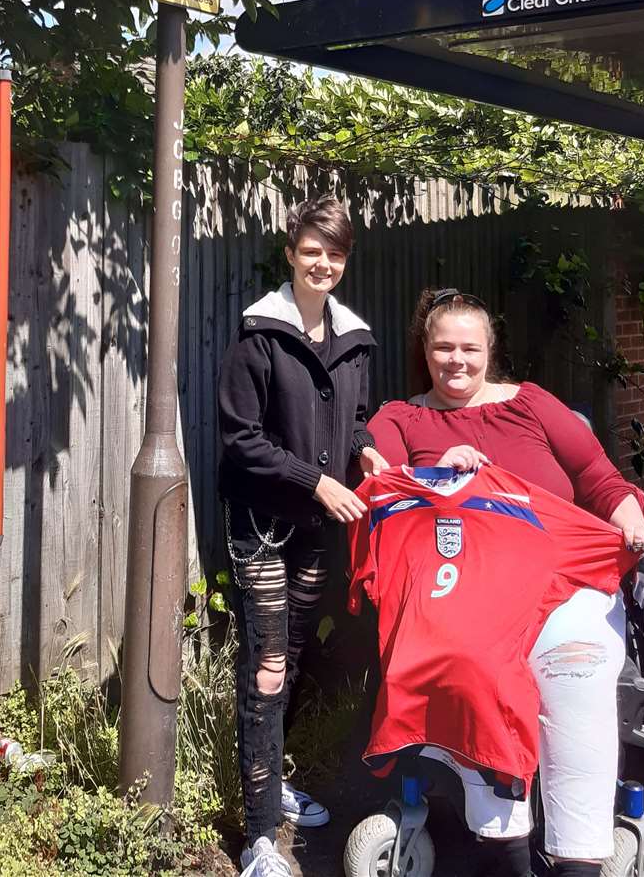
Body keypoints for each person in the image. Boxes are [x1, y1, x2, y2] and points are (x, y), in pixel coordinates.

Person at [366, 287, 644, 877]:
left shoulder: (530, 403)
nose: (457, 360)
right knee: (468, 667)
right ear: (424, 350)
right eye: (443, 347)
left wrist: (628, 518)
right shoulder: (400, 418)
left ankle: (580, 858)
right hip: (461, 595)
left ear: (489, 349)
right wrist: (432, 472)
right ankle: (505, 853)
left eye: (469, 348)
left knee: (574, 667)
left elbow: (599, 478)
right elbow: (380, 482)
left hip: (563, 577)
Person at [217, 195, 385, 877]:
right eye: (312, 250)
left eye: (335, 253)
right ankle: (259, 836)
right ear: (291, 253)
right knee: (267, 665)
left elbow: (357, 420)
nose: (323, 262)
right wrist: (315, 482)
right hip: (262, 523)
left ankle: (270, 785)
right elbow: (240, 441)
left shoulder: (354, 340)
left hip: (317, 531)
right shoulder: (260, 335)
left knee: (292, 653)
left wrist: (366, 449)